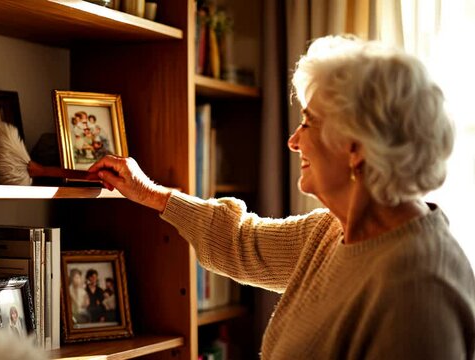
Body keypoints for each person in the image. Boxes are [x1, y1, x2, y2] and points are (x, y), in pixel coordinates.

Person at [88, 35, 475, 359]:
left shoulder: (419, 289)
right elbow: (242, 241)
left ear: (355, 147)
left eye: (307, 122)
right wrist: (151, 193)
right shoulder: (333, 230)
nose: (293, 141)